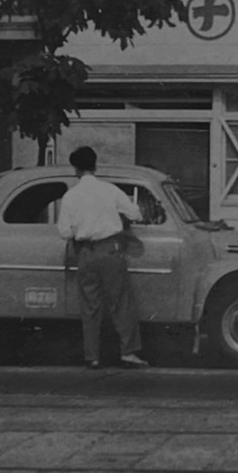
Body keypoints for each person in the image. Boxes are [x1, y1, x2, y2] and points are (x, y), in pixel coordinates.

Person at [57, 146, 150, 370]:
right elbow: (135, 214)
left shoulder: (70, 196)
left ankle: (93, 356)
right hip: (110, 250)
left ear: (76, 169)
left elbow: (64, 232)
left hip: (86, 253)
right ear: (95, 165)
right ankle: (128, 352)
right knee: (121, 302)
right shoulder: (110, 190)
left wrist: (81, 229)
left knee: (90, 306)